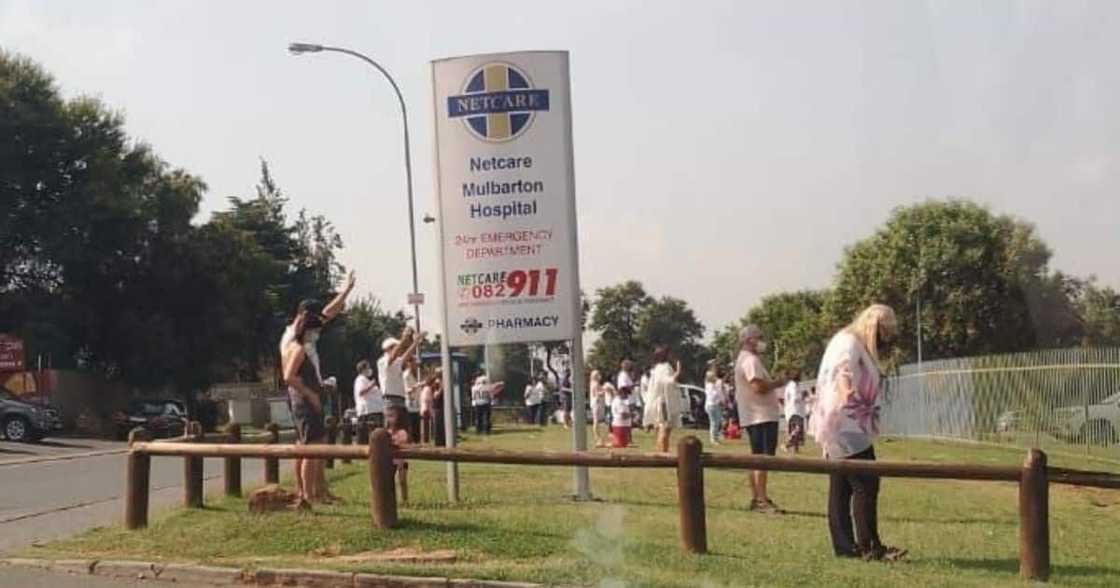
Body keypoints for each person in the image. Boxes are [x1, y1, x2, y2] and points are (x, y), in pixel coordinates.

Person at [811, 304, 907, 562]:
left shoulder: (843, 339)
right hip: (847, 422)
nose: (884, 341)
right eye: (884, 335)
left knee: (841, 487)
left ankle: (845, 547)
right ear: (875, 327)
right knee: (866, 483)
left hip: (841, 421)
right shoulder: (851, 343)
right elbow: (843, 371)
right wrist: (847, 392)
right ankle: (870, 547)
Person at [279, 271, 356, 506]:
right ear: (305, 316)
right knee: (309, 445)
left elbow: (329, 313)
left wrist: (346, 291)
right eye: (316, 321)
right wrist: (311, 393)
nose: (321, 327)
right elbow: (290, 375)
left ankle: (319, 490)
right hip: (302, 394)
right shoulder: (294, 338)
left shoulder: (304, 332)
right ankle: (307, 493)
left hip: (309, 389)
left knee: (313, 443)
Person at [734, 324, 788, 514]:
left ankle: (758, 496)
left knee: (756, 457)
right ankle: (761, 499)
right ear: (750, 339)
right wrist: (778, 382)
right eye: (760, 337)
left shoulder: (745, 359)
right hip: (760, 415)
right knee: (762, 459)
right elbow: (758, 387)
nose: (762, 341)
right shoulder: (750, 360)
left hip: (755, 415)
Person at [644, 345, 683, 453]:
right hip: (664, 402)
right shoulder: (666, 367)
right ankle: (664, 452)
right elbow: (667, 381)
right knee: (665, 427)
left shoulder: (656, 368)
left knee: (659, 427)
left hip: (657, 401)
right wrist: (678, 372)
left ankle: (659, 450)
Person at [379, 327, 422, 412]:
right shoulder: (383, 361)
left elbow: (407, 355)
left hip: (400, 398)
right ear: (388, 348)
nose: (399, 350)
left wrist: (415, 342)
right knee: (395, 424)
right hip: (391, 399)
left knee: (402, 425)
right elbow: (393, 356)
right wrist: (404, 338)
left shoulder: (397, 361)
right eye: (395, 347)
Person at [385, 405, 410, 506]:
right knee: (390, 481)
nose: (389, 419)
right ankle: (390, 500)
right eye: (387, 416)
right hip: (391, 462)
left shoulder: (402, 432)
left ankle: (404, 499)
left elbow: (402, 442)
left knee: (402, 481)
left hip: (402, 461)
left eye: (391, 416)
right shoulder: (386, 432)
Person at [353, 360, 381, 427]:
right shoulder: (360, 379)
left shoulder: (366, 380)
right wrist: (372, 384)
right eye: (368, 367)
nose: (370, 369)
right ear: (363, 369)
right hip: (368, 412)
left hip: (374, 411)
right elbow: (361, 392)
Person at [784, 372, 806, 453]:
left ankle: (795, 449)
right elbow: (795, 398)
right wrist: (803, 395)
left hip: (796, 410)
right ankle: (787, 444)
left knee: (795, 429)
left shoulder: (795, 385)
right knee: (798, 429)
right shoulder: (793, 386)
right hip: (794, 411)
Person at [704, 368, 725, 445]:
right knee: (714, 422)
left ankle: (715, 437)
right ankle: (713, 439)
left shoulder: (711, 385)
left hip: (714, 405)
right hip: (711, 405)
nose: (715, 378)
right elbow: (713, 395)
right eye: (714, 376)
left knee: (717, 421)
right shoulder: (710, 386)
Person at [403, 355, 422, 443]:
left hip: (416, 404)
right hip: (409, 405)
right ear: (409, 363)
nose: (416, 365)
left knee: (416, 427)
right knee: (411, 426)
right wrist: (418, 385)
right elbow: (406, 390)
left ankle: (416, 444)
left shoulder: (415, 374)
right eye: (414, 363)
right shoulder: (406, 375)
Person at [609, 383, 632, 448]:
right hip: (620, 426)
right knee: (620, 444)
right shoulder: (619, 402)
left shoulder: (620, 401)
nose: (627, 396)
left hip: (623, 426)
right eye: (626, 394)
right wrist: (632, 415)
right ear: (622, 393)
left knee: (623, 444)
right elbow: (623, 416)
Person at [589, 370, 608, 447]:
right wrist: (605, 390)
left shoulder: (593, 383)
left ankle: (599, 439)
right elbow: (597, 394)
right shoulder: (595, 384)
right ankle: (598, 439)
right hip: (596, 403)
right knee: (596, 421)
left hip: (596, 403)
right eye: (598, 374)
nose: (600, 376)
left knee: (597, 421)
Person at [419, 371, 435, 444]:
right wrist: (428, 408)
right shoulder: (428, 389)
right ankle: (426, 439)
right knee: (426, 426)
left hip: (425, 408)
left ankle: (427, 438)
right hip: (426, 409)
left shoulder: (425, 388)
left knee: (426, 425)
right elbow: (426, 399)